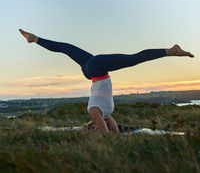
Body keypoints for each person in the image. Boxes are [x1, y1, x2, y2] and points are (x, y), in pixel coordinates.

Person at [19, 29, 194, 133]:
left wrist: (104, 134)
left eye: (92, 127)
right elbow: (111, 132)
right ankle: (34, 39)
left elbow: (106, 133)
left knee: (67, 48)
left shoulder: (96, 111)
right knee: (66, 48)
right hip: (93, 68)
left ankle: (35, 39)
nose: (94, 126)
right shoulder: (104, 113)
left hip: (95, 69)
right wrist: (110, 135)